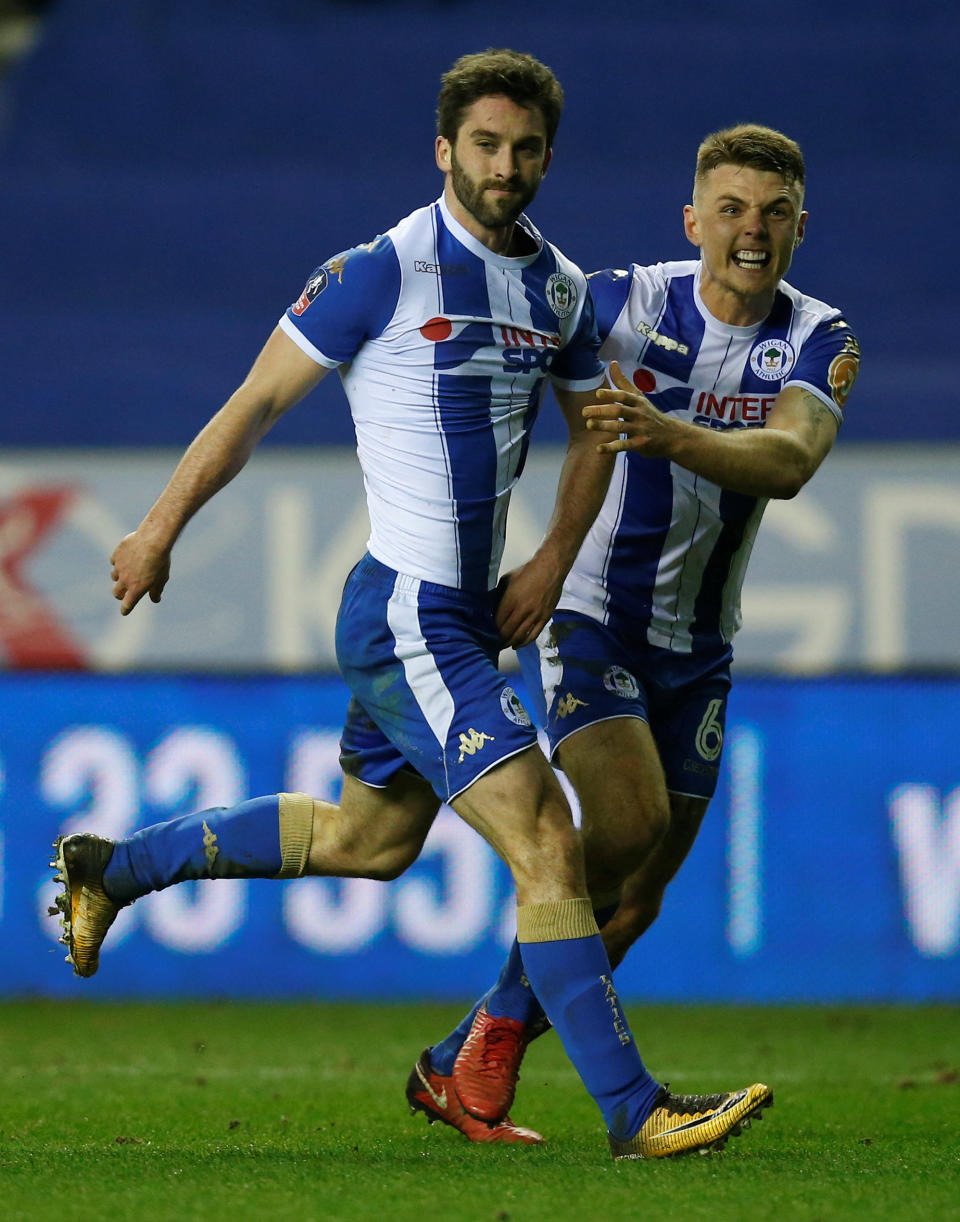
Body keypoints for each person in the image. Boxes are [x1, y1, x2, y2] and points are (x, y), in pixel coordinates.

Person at [50, 52, 772, 1161]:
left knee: (369, 840)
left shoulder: (559, 289)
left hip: (470, 616)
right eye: (485, 145)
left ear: (546, 157)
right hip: (406, 611)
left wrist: (549, 562)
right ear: (445, 150)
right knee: (544, 837)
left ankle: (114, 868)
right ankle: (635, 1110)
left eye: (526, 148)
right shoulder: (379, 271)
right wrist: (157, 528)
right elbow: (251, 406)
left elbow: (598, 428)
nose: (506, 166)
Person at [418, 123, 859, 1137]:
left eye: (774, 213)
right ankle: (576, 1086)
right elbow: (515, 363)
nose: (752, 232)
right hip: (591, 619)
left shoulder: (822, 337)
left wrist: (666, 433)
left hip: (702, 648)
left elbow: (788, 463)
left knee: (638, 898)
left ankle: (470, 1048)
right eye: (733, 210)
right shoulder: (623, 303)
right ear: (692, 220)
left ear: (800, 226)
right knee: (625, 826)